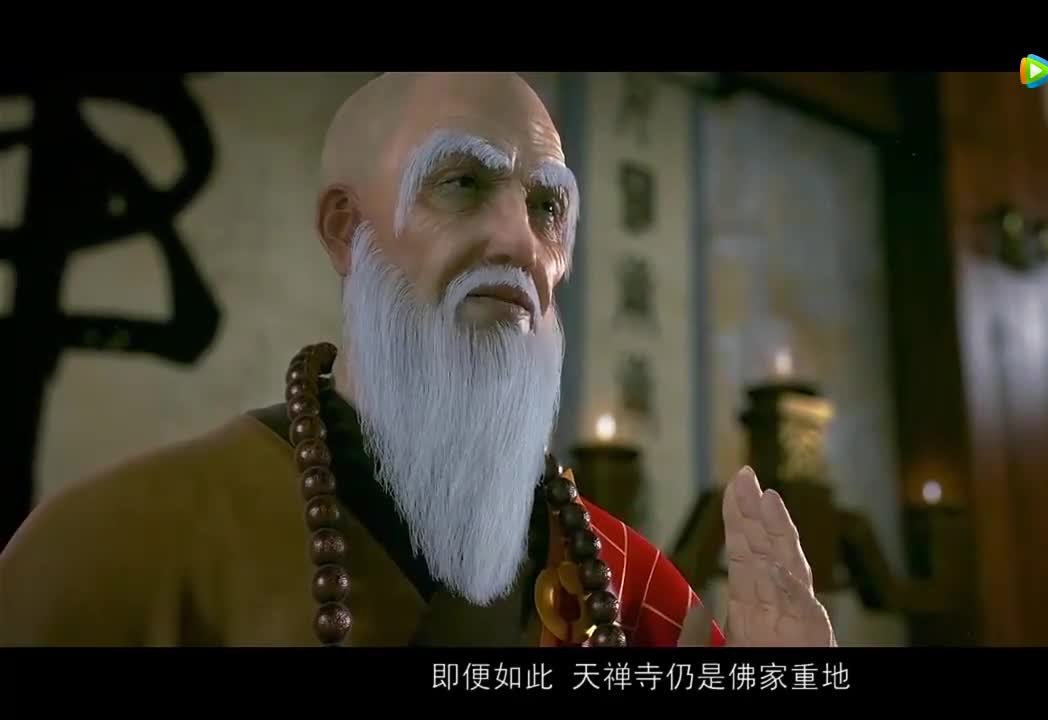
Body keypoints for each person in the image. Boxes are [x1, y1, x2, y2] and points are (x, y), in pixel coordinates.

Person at [0, 72, 835, 648]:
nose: (519, 244)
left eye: (547, 205)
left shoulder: (627, 587)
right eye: (462, 183)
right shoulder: (113, 549)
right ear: (345, 230)